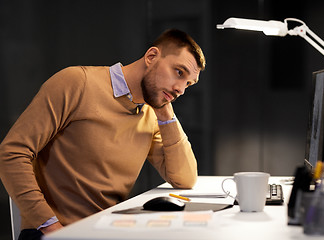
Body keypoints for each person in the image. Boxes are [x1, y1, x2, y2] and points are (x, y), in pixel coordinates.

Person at [0, 28, 206, 240]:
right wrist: (53, 229)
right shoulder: (77, 82)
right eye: (179, 73)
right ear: (151, 56)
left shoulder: (150, 115)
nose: (181, 89)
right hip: (54, 232)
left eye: (188, 84)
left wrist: (165, 111)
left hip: (105, 230)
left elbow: (185, 179)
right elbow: (12, 153)